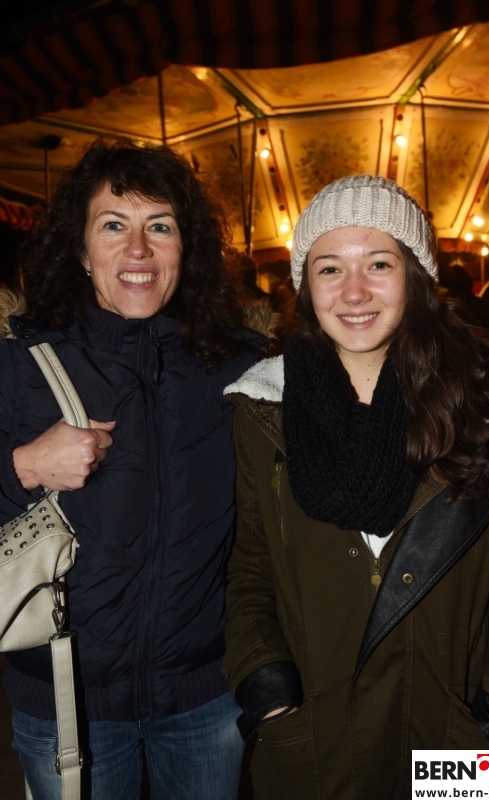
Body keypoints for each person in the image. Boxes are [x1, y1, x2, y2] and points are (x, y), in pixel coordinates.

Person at [222, 175, 489, 800]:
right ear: (306, 286)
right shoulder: (263, 410)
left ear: (416, 276)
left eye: (379, 264)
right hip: (316, 744)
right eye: (329, 268)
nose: (354, 291)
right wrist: (266, 685)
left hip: (466, 740)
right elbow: (249, 568)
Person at [0, 137, 268, 800]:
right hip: (66, 700)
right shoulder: (20, 364)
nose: (139, 249)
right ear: (81, 249)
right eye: (114, 226)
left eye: (161, 227)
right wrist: (24, 464)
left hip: (205, 695)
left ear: (187, 249)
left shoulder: (242, 371)